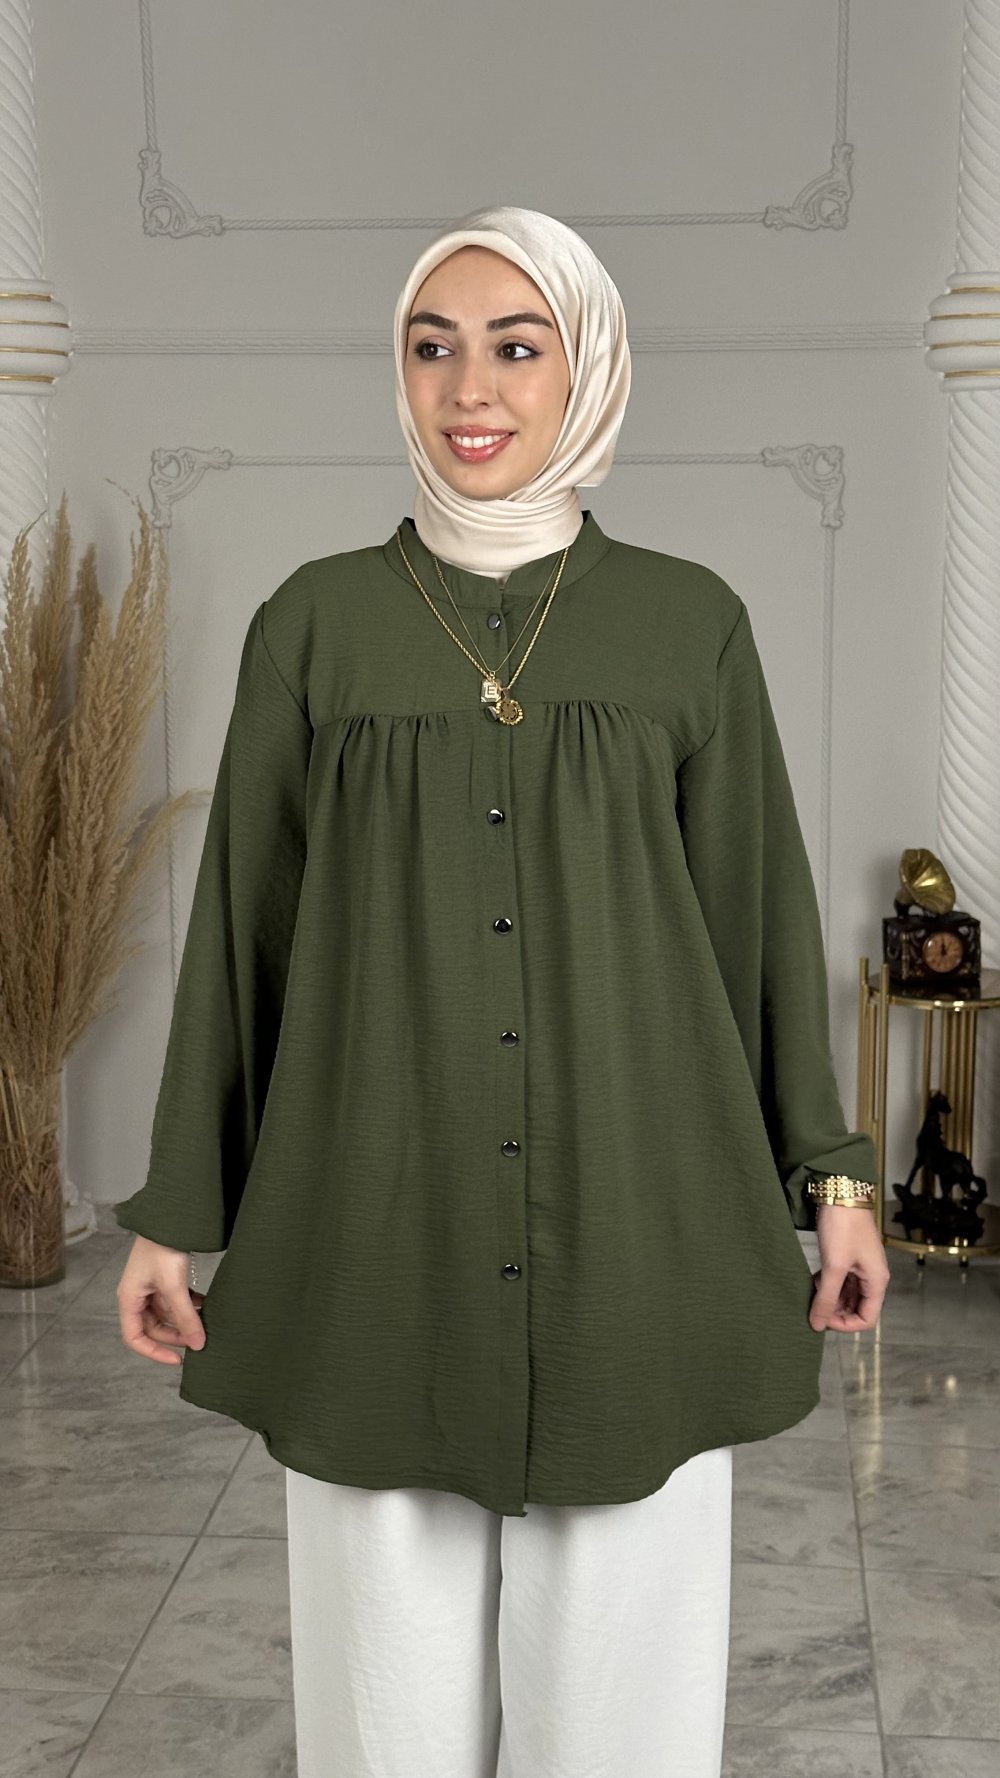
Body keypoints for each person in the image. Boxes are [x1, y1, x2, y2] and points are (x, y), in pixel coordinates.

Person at [115, 205, 891, 1778]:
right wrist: (175, 1210)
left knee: (619, 1695)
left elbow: (756, 920)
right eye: (433, 346)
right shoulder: (313, 627)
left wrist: (836, 1178)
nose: (470, 388)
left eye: (516, 347)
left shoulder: (690, 625)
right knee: (381, 1701)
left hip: (636, 1228)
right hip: (373, 1225)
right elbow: (244, 940)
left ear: (585, 367)